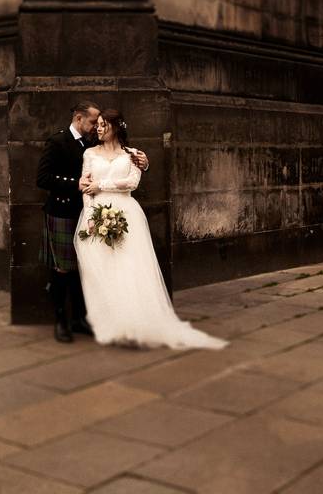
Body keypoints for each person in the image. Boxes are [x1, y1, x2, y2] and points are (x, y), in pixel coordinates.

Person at [75, 109, 227, 350]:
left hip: (127, 214)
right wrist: (92, 217)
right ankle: (111, 324)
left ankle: (135, 323)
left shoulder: (134, 155)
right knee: (104, 270)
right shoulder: (89, 153)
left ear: (116, 127)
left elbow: (132, 183)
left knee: (129, 268)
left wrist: (100, 184)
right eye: (98, 125)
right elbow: (85, 186)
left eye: (104, 124)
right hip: (96, 215)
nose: (99, 128)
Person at [37, 101, 149, 343]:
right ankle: (61, 322)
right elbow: (43, 178)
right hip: (64, 212)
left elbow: (121, 160)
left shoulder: (91, 143)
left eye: (100, 124)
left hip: (91, 210)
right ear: (79, 118)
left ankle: (79, 320)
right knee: (62, 270)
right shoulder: (57, 141)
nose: (96, 128)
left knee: (83, 270)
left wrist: (144, 162)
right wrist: (74, 184)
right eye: (92, 123)